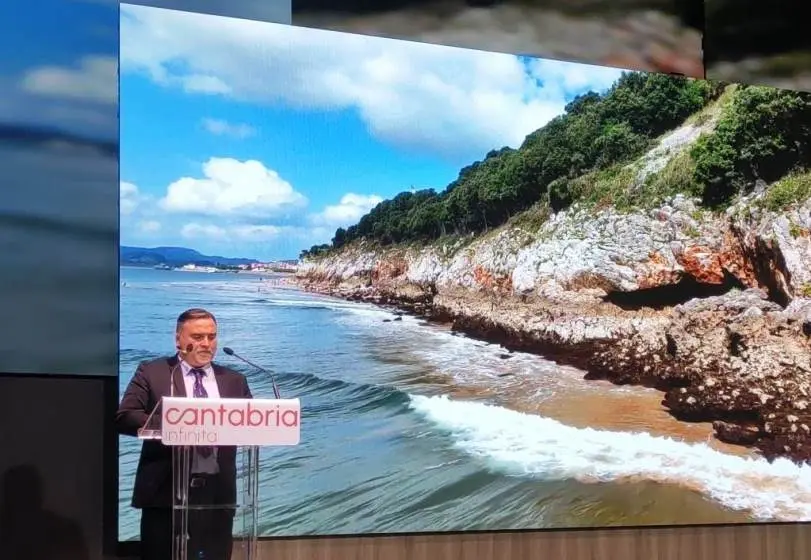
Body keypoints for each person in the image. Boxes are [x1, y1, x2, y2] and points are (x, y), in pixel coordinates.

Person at [116, 308, 253, 560]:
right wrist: (176, 422)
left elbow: (252, 425)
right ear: (178, 339)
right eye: (198, 336)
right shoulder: (153, 372)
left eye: (212, 337)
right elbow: (125, 416)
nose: (206, 344)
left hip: (217, 495)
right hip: (165, 492)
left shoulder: (235, 380)